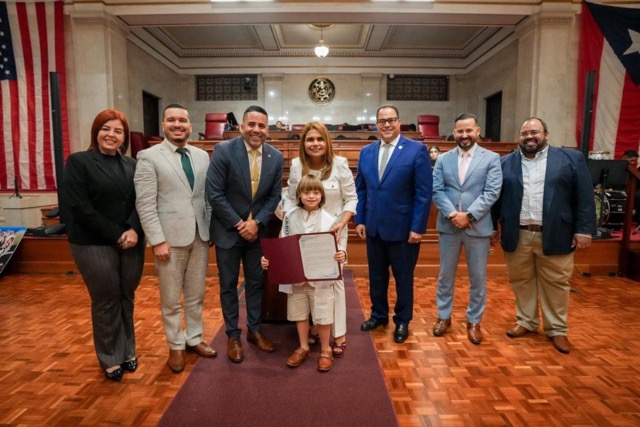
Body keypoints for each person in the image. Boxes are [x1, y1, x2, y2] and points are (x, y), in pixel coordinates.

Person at [492, 117, 595, 354]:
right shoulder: (505, 163)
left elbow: (584, 197)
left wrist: (584, 230)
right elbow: (496, 199)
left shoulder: (570, 159)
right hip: (518, 233)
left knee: (556, 283)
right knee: (521, 281)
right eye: (524, 133)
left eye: (535, 132)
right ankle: (526, 321)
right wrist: (493, 228)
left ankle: (557, 329)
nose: (529, 137)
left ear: (546, 134)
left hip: (557, 233)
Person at [60, 109, 145, 381]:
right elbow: (80, 206)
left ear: (124, 137)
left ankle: (128, 350)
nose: (111, 135)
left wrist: (133, 229)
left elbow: (143, 200)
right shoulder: (79, 162)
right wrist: (118, 234)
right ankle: (110, 356)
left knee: (126, 295)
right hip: (93, 241)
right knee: (106, 299)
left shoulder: (132, 165)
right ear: (96, 132)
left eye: (118, 131)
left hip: (132, 239)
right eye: (106, 129)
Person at [134, 103, 216, 374]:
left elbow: (205, 197)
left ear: (190, 126)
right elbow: (145, 203)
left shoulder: (201, 156)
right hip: (168, 240)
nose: (177, 124)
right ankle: (175, 345)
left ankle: (194, 338)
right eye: (172, 120)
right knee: (170, 299)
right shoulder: (148, 157)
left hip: (200, 236)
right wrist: (156, 240)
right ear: (164, 125)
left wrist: (209, 228)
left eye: (182, 120)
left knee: (196, 295)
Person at [206, 105, 283, 363]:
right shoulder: (223, 150)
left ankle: (254, 330)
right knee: (228, 285)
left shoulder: (275, 156)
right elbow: (215, 193)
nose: (256, 130)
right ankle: (232, 335)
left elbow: (274, 196)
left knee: (255, 283)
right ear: (241, 126)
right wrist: (241, 224)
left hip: (258, 234)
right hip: (228, 231)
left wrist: (257, 223)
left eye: (262, 126)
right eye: (251, 124)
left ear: (267, 130)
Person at [355, 104, 433, 343]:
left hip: (404, 230)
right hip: (374, 228)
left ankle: (402, 321)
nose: (387, 124)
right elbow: (362, 190)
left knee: (403, 278)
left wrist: (418, 227)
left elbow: (423, 193)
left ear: (399, 122)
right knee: (376, 277)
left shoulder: (416, 150)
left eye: (391, 120)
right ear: (376, 125)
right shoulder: (366, 152)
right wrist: (360, 219)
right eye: (382, 121)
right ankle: (378, 315)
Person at [282, 121, 357, 356]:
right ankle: (315, 327)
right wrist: (291, 222)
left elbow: (351, 199)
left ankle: (339, 334)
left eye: (319, 139)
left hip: (334, 230)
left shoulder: (340, 164)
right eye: (310, 139)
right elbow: (290, 198)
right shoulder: (297, 165)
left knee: (333, 280)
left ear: (327, 142)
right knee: (308, 280)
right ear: (303, 143)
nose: (315, 144)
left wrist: (341, 223)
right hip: (304, 231)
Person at [262, 175, 347, 372]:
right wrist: (268, 260)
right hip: (297, 276)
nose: (311, 196)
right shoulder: (290, 217)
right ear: (299, 195)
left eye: (316, 192)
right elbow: (282, 244)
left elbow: (339, 246)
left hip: (321, 277)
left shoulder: (331, 219)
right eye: (307, 192)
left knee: (323, 315)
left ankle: (325, 349)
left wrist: (342, 254)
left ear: (322, 195)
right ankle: (303, 347)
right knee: (299, 313)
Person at [431, 113, 502, 345]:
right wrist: (453, 215)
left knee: (478, 278)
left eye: (469, 130)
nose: (464, 135)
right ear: (454, 133)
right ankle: (443, 317)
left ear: (477, 131)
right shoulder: (443, 159)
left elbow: (492, 192)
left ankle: (474, 321)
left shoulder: (491, 158)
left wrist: (469, 215)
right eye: (460, 131)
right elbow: (437, 190)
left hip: (478, 227)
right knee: (445, 276)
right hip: (449, 225)